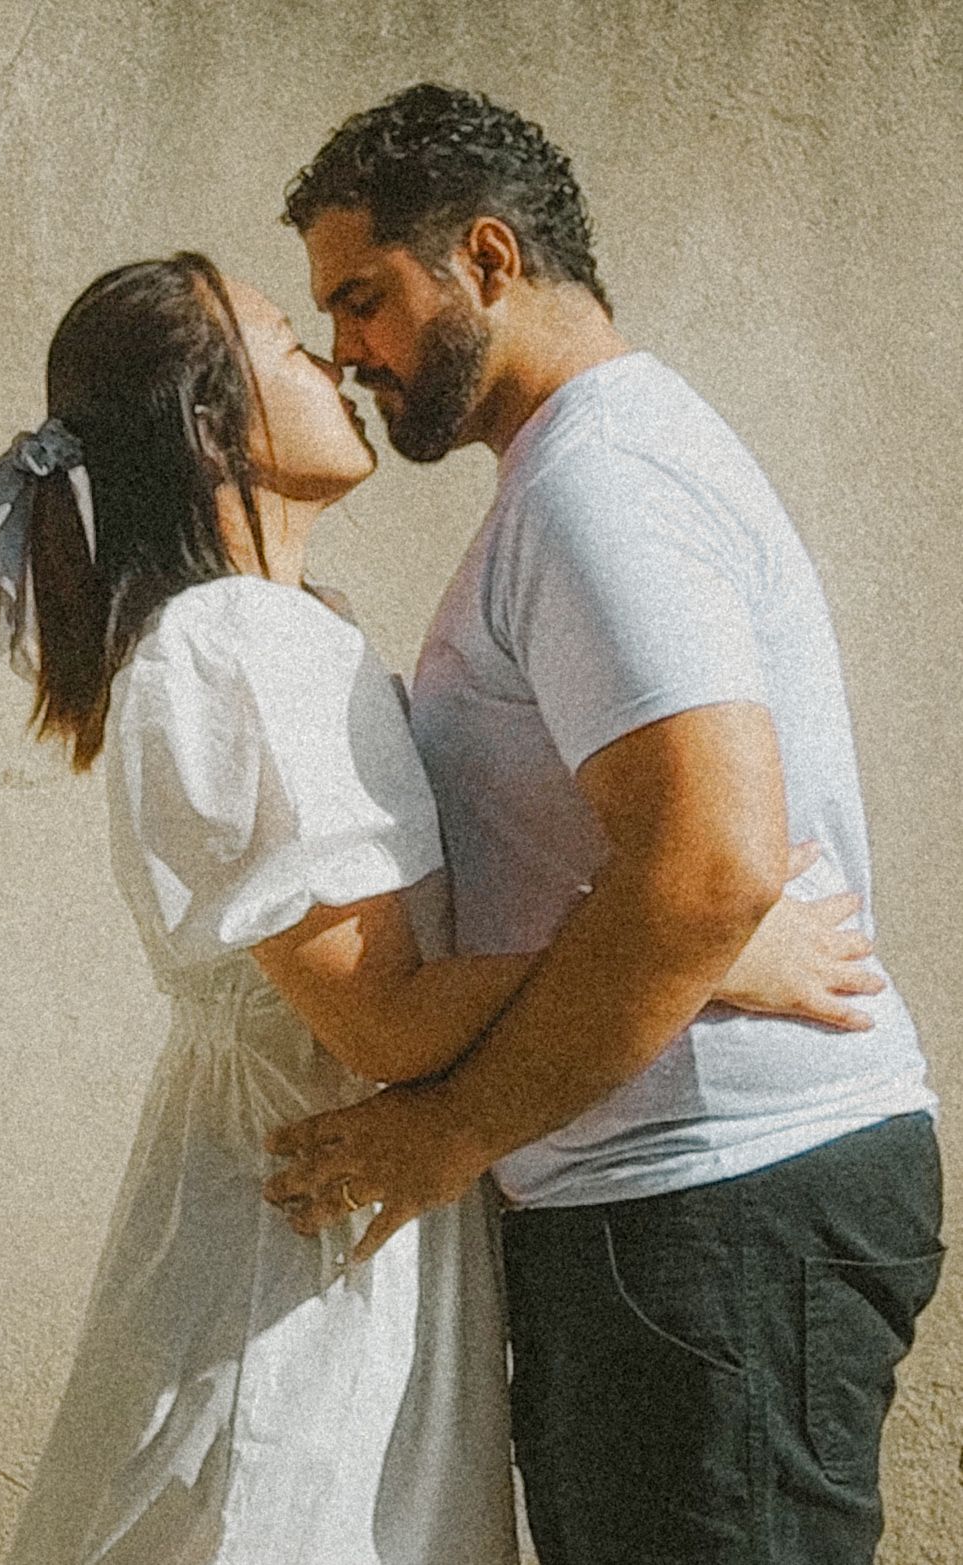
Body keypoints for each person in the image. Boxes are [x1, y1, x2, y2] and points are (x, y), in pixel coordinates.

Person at [0, 251, 876, 1565]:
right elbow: (385, 1015)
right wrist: (701, 951)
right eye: (292, 342)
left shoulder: (290, 629)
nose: (337, 361)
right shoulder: (229, 648)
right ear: (212, 423)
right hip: (298, 1245)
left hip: (367, 1230)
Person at [263, 84, 945, 1565]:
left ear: (490, 261)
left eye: (366, 298)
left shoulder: (601, 482)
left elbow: (707, 868)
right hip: (672, 1217)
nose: (347, 352)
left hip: (714, 1209)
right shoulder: (573, 480)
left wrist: (448, 1132)